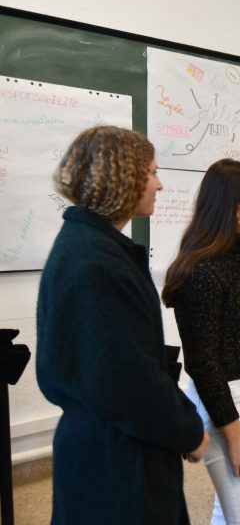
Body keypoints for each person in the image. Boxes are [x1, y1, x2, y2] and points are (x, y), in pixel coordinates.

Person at [37, 125, 208, 524]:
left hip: (114, 446)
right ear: (122, 178)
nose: (159, 185)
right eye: (152, 173)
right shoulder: (95, 261)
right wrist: (188, 430)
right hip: (116, 460)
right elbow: (125, 379)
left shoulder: (90, 246)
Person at [162, 159, 240, 525]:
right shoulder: (202, 271)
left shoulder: (238, 250)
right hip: (225, 405)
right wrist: (234, 436)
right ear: (235, 206)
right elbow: (203, 363)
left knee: (229, 512)